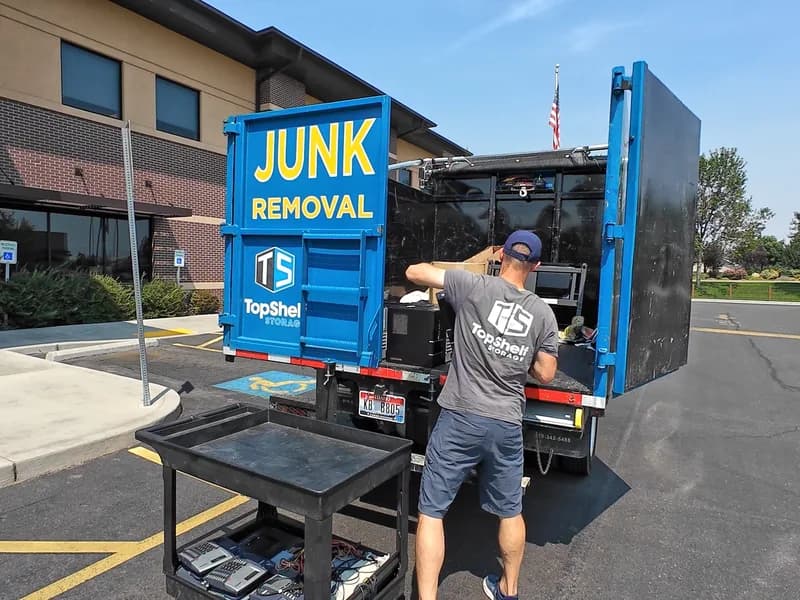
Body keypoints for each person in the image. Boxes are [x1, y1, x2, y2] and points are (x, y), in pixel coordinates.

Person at [405, 230, 559, 600]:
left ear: (501, 255)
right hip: (505, 421)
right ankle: (509, 589)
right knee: (510, 510)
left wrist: (466, 269)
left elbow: (415, 272)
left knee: (431, 512)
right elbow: (547, 372)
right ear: (535, 266)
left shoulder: (472, 285)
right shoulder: (543, 313)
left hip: (460, 416)